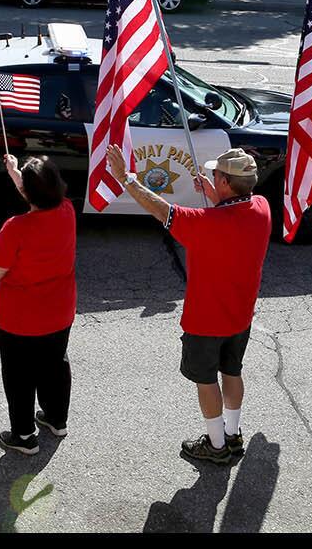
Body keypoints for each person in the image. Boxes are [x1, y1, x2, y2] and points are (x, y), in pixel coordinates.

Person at [106, 144, 271, 466]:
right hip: (241, 315)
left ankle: (216, 444)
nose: (212, 177)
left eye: (216, 175)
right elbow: (233, 210)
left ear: (225, 182)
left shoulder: (206, 223)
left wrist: (125, 178)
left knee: (206, 380)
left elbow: (159, 208)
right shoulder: (262, 207)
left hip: (206, 320)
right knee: (232, 371)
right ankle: (233, 434)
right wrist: (214, 194)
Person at [0, 155, 77, 455]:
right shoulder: (67, 210)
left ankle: (24, 435)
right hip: (60, 311)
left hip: (21, 318)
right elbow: (36, 194)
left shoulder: (16, 227)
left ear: (28, 191)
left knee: (18, 375)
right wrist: (16, 173)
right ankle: (56, 419)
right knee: (55, 364)